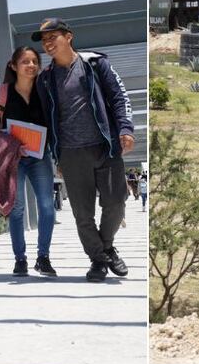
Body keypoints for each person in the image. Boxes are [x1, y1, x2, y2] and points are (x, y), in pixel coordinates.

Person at [34, 18, 135, 282]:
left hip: (105, 146)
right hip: (70, 153)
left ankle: (107, 246)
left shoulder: (94, 63)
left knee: (115, 203)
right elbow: (45, 117)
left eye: (52, 37)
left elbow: (118, 96)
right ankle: (99, 260)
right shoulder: (44, 79)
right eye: (44, 41)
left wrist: (125, 128)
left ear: (68, 37)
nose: (47, 44)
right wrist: (54, 153)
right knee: (83, 214)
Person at [0, 46, 57, 278]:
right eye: (25, 61)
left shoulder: (44, 91)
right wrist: (11, 142)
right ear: (14, 66)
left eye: (35, 61)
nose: (31, 65)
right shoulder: (2, 93)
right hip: (12, 158)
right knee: (17, 209)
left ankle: (43, 257)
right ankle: (20, 260)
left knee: (47, 206)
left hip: (40, 157)